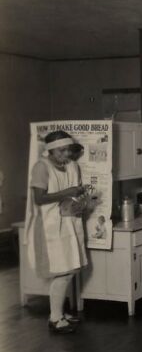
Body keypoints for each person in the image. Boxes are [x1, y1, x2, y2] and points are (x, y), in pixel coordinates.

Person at [26, 131, 88, 334]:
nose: (67, 154)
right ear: (50, 150)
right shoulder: (41, 168)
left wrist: (80, 201)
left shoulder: (72, 166)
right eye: (62, 150)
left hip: (70, 222)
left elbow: (76, 192)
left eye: (69, 149)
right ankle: (55, 318)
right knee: (63, 271)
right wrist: (68, 192)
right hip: (49, 226)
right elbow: (39, 199)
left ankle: (59, 312)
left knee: (71, 269)